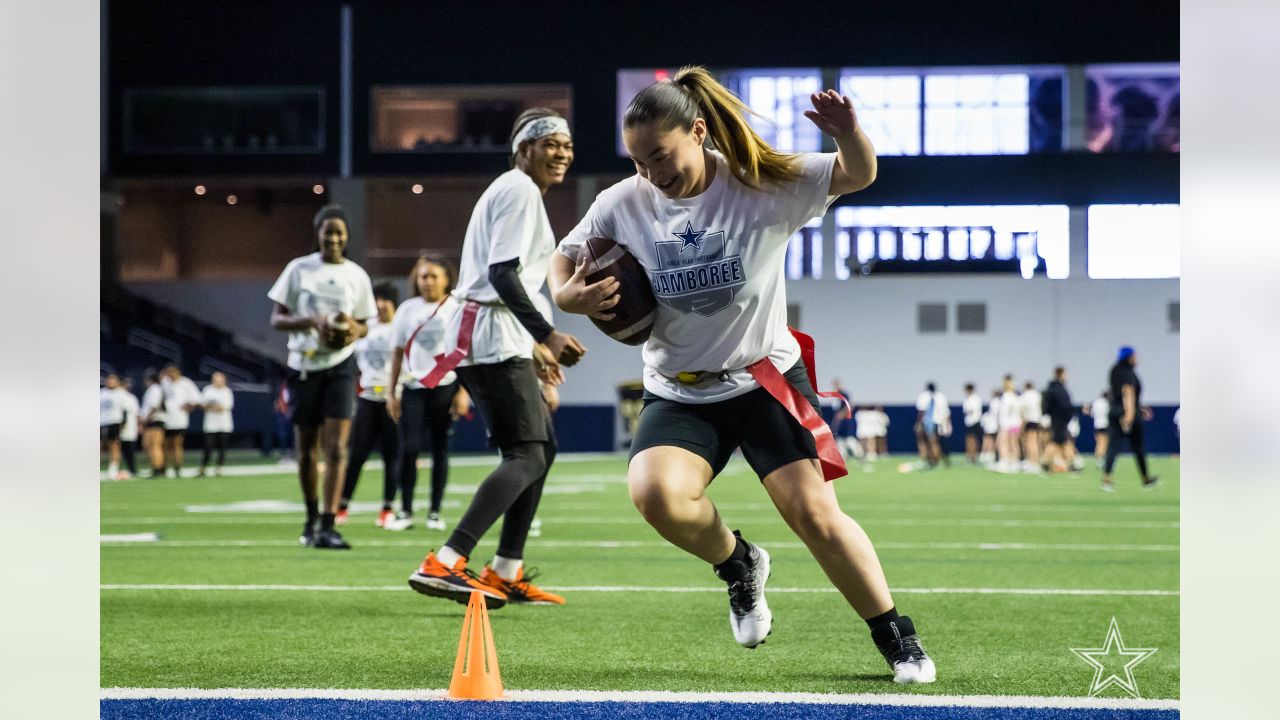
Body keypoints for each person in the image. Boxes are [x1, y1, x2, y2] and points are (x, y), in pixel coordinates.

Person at [549, 68, 934, 683]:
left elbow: (857, 174)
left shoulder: (759, 184)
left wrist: (850, 134)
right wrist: (567, 295)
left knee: (813, 514)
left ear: (697, 132)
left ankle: (897, 637)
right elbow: (566, 254)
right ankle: (740, 565)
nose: (651, 173)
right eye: (638, 161)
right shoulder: (624, 202)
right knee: (656, 495)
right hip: (679, 388)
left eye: (661, 156)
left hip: (763, 380)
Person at [407, 107, 585, 607]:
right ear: (523, 148)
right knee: (525, 454)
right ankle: (444, 561)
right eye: (551, 143)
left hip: (497, 331)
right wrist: (547, 335)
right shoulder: (519, 190)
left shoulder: (517, 191)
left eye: (567, 147)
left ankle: (505, 568)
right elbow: (502, 274)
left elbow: (508, 278)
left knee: (540, 450)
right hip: (487, 331)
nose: (562, 153)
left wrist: (531, 343)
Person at [269, 204, 377, 549]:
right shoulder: (298, 270)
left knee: (337, 448)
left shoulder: (356, 275)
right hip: (304, 364)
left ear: (346, 237)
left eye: (339, 233)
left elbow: (365, 323)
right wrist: (313, 321)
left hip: (341, 366)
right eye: (328, 232)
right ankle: (311, 517)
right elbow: (277, 319)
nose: (333, 238)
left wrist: (349, 332)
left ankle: (329, 524)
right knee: (306, 451)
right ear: (318, 234)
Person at [387, 258, 471, 532]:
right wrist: (391, 392)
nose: (428, 281)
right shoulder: (407, 309)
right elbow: (398, 352)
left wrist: (462, 391)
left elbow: (464, 353)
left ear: (447, 279)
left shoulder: (456, 307)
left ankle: (435, 511)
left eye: (434, 276)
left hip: (445, 387)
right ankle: (406, 510)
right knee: (409, 448)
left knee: (440, 449)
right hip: (413, 388)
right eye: (423, 276)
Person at [338, 282, 405, 528]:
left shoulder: (401, 328)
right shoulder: (366, 330)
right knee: (356, 455)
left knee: (392, 456)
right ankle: (342, 506)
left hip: (393, 399)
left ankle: (387, 508)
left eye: (385, 299)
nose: (380, 304)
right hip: (367, 397)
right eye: (377, 299)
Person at [1101, 346, 1159, 491]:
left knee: (1112, 446)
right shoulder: (1127, 372)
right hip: (1126, 412)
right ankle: (1145, 478)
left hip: (1114, 410)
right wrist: (1130, 414)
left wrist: (1139, 409)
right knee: (1138, 447)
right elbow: (1128, 392)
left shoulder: (1114, 370)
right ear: (1129, 357)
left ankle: (1106, 478)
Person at [160, 364, 201, 478]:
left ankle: (177, 468)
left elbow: (197, 399)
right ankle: (164, 468)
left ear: (178, 372)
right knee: (165, 444)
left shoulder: (186, 383)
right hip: (165, 418)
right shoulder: (164, 382)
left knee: (177, 444)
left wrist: (189, 407)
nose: (170, 375)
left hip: (179, 419)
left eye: (172, 372)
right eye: (169, 372)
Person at [1041, 367, 1076, 473]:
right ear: (1060, 375)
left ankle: (1047, 462)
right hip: (1059, 419)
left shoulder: (1054, 388)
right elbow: (1064, 406)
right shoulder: (1057, 389)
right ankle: (1071, 463)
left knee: (1059, 441)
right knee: (1060, 441)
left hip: (1059, 419)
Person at [199, 372, 234, 477]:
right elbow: (202, 404)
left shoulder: (227, 391)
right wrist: (213, 407)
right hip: (210, 424)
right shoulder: (208, 390)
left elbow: (225, 407)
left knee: (222, 448)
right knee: (208, 447)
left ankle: (219, 468)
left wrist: (212, 407)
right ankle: (203, 468)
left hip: (224, 425)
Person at [914, 382, 950, 469]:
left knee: (929, 442)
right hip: (939, 422)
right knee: (935, 442)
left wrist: (918, 423)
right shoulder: (941, 396)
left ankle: (932, 460)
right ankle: (934, 460)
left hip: (929, 421)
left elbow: (921, 411)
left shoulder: (924, 396)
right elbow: (946, 412)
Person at [139, 369, 167, 477]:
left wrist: (146, 419)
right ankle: (155, 468)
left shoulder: (155, 389)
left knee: (155, 446)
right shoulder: (152, 389)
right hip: (151, 420)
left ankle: (158, 469)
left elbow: (154, 406)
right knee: (148, 446)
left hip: (155, 420)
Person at [996, 375, 1022, 474]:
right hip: (1015, 423)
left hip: (1006, 424)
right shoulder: (1015, 396)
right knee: (1014, 443)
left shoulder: (1006, 396)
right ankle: (1015, 463)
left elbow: (1004, 412)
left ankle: (1004, 462)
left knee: (1003, 443)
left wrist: (1003, 425)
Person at [100, 374, 124, 479]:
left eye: (113, 380)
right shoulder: (102, 393)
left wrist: (123, 424)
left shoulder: (121, 393)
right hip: (102, 423)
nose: (111, 382)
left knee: (114, 446)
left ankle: (113, 469)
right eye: (109, 380)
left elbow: (126, 410)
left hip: (115, 422)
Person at [116, 377, 140, 480]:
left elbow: (132, 413)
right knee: (124, 451)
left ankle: (131, 470)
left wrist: (123, 426)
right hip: (126, 427)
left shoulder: (128, 397)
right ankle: (128, 470)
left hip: (127, 427)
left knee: (128, 451)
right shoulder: (125, 396)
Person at [1018, 381, 1043, 473]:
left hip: (1029, 421)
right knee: (1035, 442)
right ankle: (1035, 461)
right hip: (1037, 420)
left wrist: (1022, 423)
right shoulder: (1037, 395)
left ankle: (1032, 462)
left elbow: (1021, 409)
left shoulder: (1025, 396)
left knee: (1030, 443)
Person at [1083, 390, 1111, 467]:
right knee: (1104, 443)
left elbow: (1092, 414)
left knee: (1099, 443)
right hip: (1105, 424)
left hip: (1097, 425)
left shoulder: (1096, 403)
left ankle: (1098, 459)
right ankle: (1102, 460)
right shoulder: (1106, 403)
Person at [961, 383, 983, 465]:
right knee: (968, 440)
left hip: (974, 422)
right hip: (968, 422)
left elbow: (971, 410)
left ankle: (973, 458)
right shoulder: (967, 399)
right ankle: (969, 457)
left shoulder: (975, 399)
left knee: (973, 440)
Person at [980, 388, 1000, 467]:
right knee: (989, 439)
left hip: (994, 425)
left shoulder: (996, 402)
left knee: (991, 440)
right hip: (992, 425)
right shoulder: (995, 402)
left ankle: (990, 456)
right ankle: (989, 455)